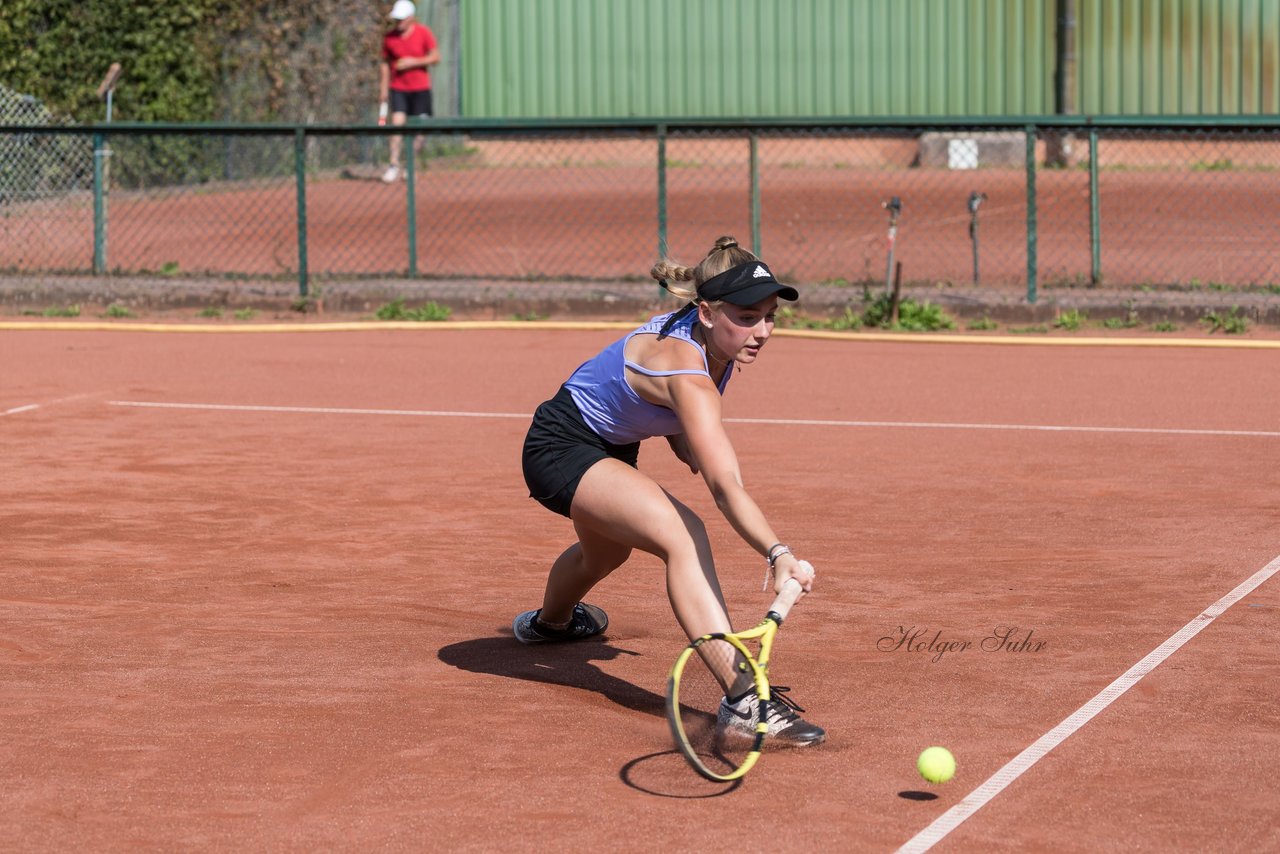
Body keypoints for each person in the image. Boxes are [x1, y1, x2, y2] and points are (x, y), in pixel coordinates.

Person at [515, 235, 825, 746]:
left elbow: (669, 418)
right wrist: (778, 552)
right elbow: (725, 486)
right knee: (684, 534)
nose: (762, 331)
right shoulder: (689, 373)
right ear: (706, 312)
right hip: (559, 447)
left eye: (770, 316)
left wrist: (686, 440)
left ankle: (550, 625)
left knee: (605, 554)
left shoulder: (714, 343)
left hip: (609, 444)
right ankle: (744, 699)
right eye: (747, 317)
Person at [379, 0, 440, 183]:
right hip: (398, 88)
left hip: (421, 90)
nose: (398, 23)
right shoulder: (389, 38)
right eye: (396, 19)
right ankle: (393, 165)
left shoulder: (423, 33)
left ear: (410, 18)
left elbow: (436, 57)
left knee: (420, 131)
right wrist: (383, 89)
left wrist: (413, 62)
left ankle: (409, 166)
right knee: (397, 125)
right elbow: (384, 64)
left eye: (401, 19)